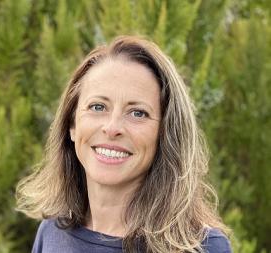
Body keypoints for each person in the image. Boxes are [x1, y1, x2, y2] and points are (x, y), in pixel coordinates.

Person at [16, 35, 232, 253]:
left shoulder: (202, 247)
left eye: (137, 113)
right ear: (72, 124)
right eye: (98, 107)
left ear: (165, 134)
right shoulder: (52, 232)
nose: (112, 128)